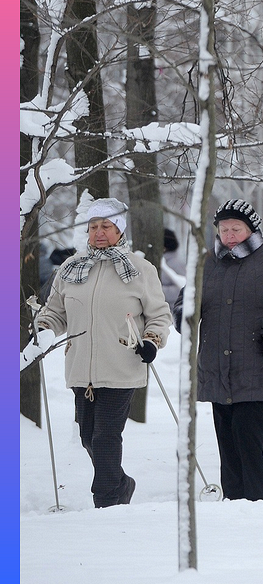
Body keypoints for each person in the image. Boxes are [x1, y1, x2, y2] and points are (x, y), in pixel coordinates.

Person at [36, 198, 173, 507]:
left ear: (119, 230)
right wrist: (44, 328)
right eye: (93, 226)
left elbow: (159, 315)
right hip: (80, 367)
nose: (98, 232)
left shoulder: (139, 269)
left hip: (122, 364)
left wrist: (152, 340)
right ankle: (122, 483)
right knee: (88, 437)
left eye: (106, 226)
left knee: (105, 437)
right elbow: (56, 312)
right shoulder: (71, 268)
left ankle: (107, 500)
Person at [190, 200, 263, 500]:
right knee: (227, 444)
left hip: (258, 368)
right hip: (217, 370)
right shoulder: (207, 262)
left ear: (251, 229)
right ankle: (232, 501)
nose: (229, 234)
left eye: (236, 229)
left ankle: (255, 501)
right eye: (224, 229)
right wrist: (185, 316)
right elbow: (188, 301)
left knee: (248, 439)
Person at [160, 228, 186, 306]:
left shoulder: (176, 263)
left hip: (172, 311)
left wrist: (158, 290)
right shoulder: (164, 260)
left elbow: (181, 289)